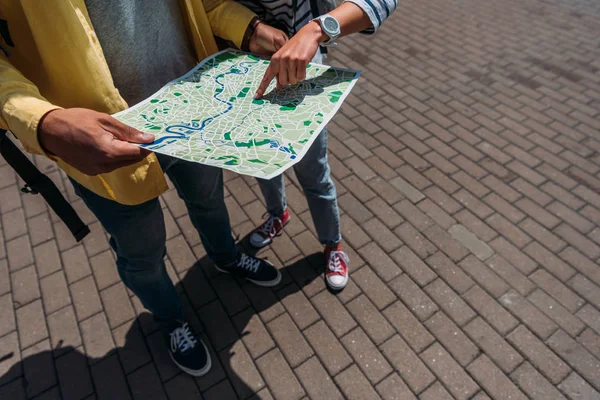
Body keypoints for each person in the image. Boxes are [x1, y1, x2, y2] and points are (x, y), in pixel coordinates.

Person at [0, 0, 289, 377]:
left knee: (210, 201)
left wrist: (246, 26)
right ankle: (171, 319)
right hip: (103, 139)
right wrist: (41, 120)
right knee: (142, 252)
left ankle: (226, 257)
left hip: (194, 106)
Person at [237, 0, 397, 290]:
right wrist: (251, 27)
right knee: (261, 160)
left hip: (304, 75)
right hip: (245, 71)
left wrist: (317, 29)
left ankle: (333, 245)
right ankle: (278, 215)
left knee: (314, 173)